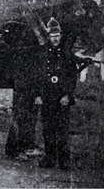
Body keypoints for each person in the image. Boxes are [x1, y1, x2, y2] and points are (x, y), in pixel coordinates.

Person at [37, 18, 87, 170]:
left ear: (61, 35)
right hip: (47, 97)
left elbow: (72, 77)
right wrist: (38, 96)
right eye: (52, 36)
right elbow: (38, 76)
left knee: (62, 129)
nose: (55, 38)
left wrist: (67, 95)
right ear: (48, 37)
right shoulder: (43, 54)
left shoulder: (67, 54)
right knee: (48, 129)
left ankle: (64, 161)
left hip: (62, 98)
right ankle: (49, 158)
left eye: (57, 35)